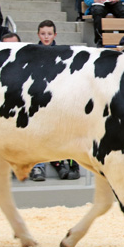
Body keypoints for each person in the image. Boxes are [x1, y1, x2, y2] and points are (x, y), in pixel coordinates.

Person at [29, 21, 80, 182]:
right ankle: (38, 167)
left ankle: (70, 164)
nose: (46, 37)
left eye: (49, 34)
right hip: (38, 99)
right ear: (38, 34)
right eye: (43, 34)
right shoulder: (33, 53)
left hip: (58, 99)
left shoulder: (61, 53)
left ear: (55, 35)